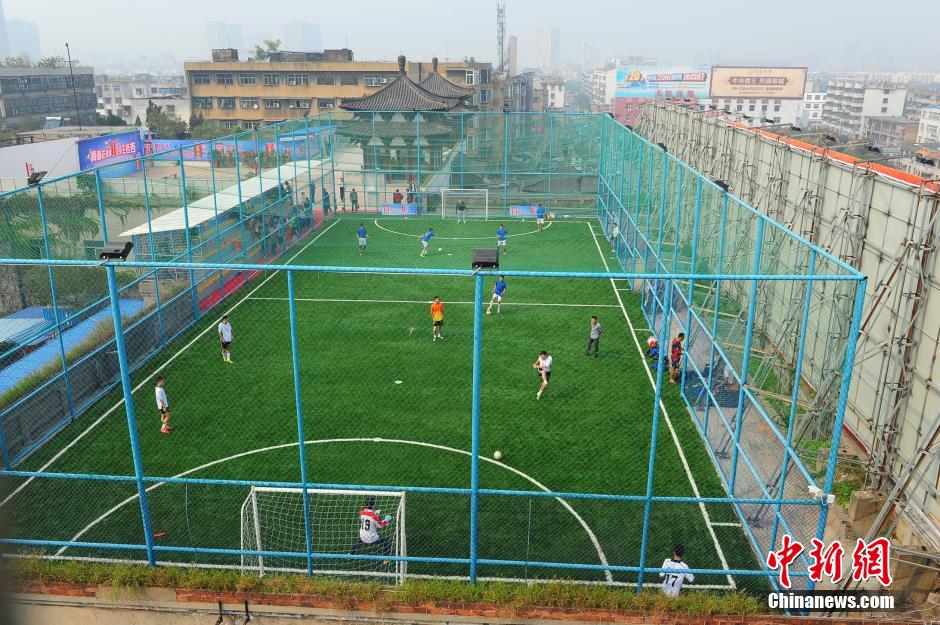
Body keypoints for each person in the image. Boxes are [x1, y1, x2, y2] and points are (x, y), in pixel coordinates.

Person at [350, 497, 393, 566]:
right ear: (373, 505)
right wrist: (386, 520)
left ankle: (350, 555)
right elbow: (380, 525)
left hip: (362, 536)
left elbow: (368, 516)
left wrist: (375, 513)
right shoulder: (374, 516)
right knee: (385, 542)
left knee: (358, 541)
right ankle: (386, 559)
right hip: (372, 537)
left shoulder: (361, 513)